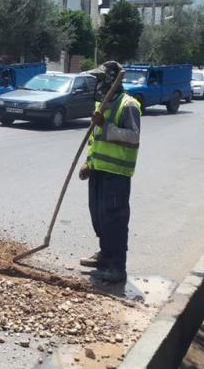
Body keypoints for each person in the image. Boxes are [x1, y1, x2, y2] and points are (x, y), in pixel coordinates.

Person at [78, 61, 141, 284]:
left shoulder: (128, 105)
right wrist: (89, 162)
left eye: (100, 80)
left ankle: (117, 267)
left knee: (114, 219)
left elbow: (133, 136)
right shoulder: (101, 103)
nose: (96, 84)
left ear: (110, 81)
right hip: (98, 171)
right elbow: (95, 139)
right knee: (98, 217)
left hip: (117, 174)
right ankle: (104, 256)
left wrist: (105, 126)